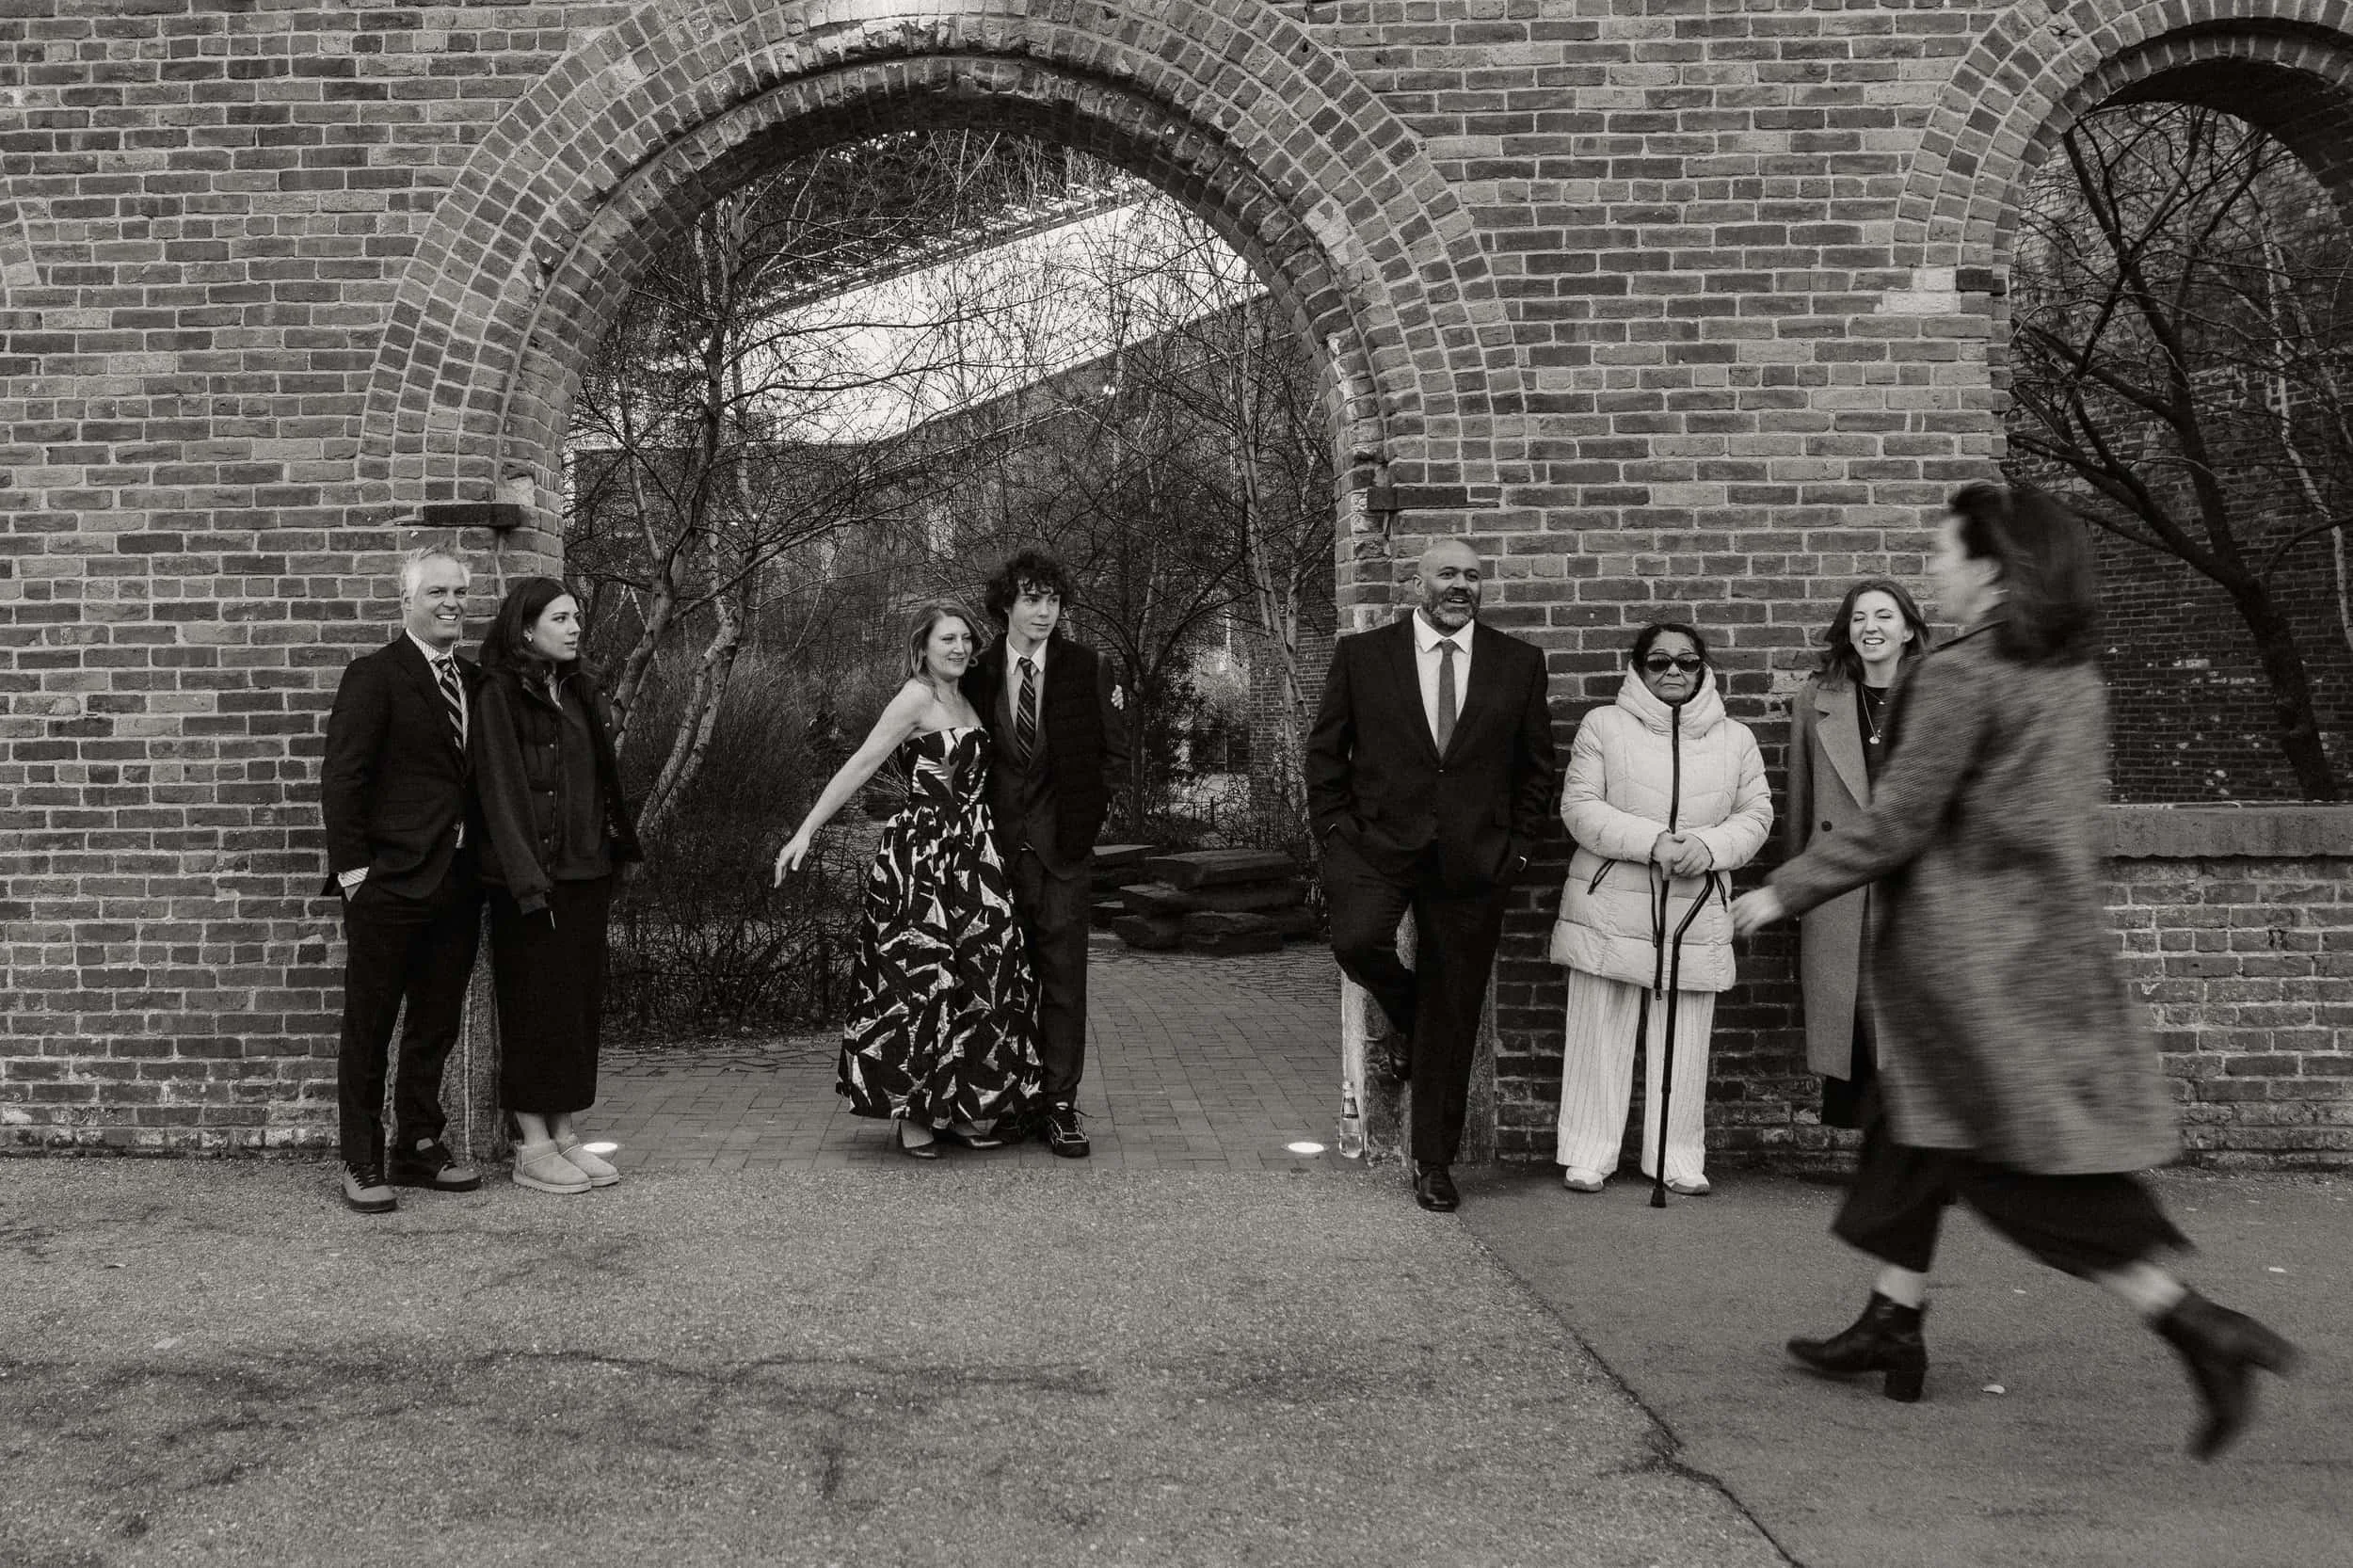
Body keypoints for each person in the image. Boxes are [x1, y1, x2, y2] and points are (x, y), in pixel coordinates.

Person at [1732, 483, 2298, 1458]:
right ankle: (1892, 1319)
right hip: (2040, 945)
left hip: (1964, 965)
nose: (1935, 571)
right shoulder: (2072, 674)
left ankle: (2194, 1322)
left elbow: (1898, 822)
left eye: (1945, 553)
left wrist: (1782, 892)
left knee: (1994, 1163)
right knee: (1909, 1128)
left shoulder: (1961, 674)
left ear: (1993, 567)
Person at [1305, 538, 1559, 1213]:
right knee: (1357, 942)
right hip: (1376, 846)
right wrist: (1335, 835)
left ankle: (1434, 1163)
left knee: (1457, 1005)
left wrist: (1518, 852)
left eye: (1472, 576)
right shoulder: (1364, 656)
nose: (1460, 586)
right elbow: (1326, 753)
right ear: (1418, 584)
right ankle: (1413, 1020)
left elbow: (1536, 768)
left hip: (1475, 860)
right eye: (1447, 574)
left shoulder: (1518, 663)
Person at [778, 602, 1046, 1158]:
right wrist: (806, 829)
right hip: (922, 857)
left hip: (975, 854)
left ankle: (966, 1105)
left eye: (966, 639)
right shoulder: (914, 698)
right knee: (920, 979)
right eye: (947, 639)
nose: (960, 648)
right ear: (922, 646)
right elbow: (861, 764)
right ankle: (915, 1113)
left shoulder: (969, 697)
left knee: (982, 976)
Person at [1548, 622, 1771, 1196]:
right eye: (1659, 660)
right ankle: (1588, 1153)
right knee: (1600, 1029)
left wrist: (1708, 848)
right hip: (1610, 906)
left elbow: (1756, 815)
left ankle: (1677, 1156)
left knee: (1686, 1038)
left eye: (1687, 661)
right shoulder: (1603, 725)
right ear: (1639, 667)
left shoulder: (1737, 739)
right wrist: (1653, 843)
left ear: (1703, 668)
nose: (1674, 670)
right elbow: (1580, 807)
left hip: (1696, 906)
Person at [318, 545, 488, 1214]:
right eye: (437, 592)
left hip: (458, 884)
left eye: (459, 593)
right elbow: (344, 778)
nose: (451, 603)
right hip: (387, 885)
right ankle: (360, 1158)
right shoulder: (375, 676)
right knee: (371, 1027)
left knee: (434, 1025)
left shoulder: (476, 681)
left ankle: (416, 1144)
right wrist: (356, 876)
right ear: (407, 601)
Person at [472, 578, 643, 1195]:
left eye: (576, 618)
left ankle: (565, 1134)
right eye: (561, 619)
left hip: (585, 873)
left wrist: (614, 852)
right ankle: (532, 1144)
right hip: (531, 880)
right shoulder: (498, 692)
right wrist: (527, 882)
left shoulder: (576, 688)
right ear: (526, 628)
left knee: (574, 1010)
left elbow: (599, 780)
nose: (574, 629)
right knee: (533, 1009)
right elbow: (500, 791)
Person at [957, 552, 1130, 1158]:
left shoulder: (1088, 668)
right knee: (1000, 985)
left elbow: (1115, 754)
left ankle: (1059, 1106)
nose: (1044, 612)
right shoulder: (976, 672)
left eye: (1053, 600)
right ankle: (1012, 1101)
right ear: (1006, 605)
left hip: (1063, 856)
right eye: (1032, 599)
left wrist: (1083, 824)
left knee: (1063, 985)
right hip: (993, 857)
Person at [1786, 579, 1931, 1131]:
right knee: (1853, 1021)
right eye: (1859, 618)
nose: (1870, 627)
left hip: (1915, 881)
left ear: (1909, 630)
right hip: (1840, 883)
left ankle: (1915, 1150)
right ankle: (1881, 1153)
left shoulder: (1940, 696)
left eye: (1884, 616)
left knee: (1916, 1022)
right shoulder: (1816, 699)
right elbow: (1800, 798)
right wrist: (1799, 881)